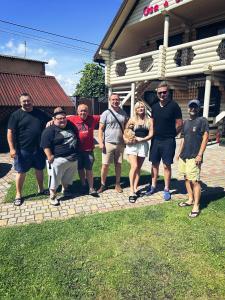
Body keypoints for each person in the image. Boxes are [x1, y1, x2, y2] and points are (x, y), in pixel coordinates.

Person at [7, 93, 51, 206]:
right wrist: (12, 149)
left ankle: (41, 189)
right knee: (21, 172)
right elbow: (10, 132)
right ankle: (18, 195)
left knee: (39, 169)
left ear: (32, 101)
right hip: (23, 150)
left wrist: (51, 121)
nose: (26, 103)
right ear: (20, 103)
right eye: (24, 101)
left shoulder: (39, 113)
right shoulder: (16, 115)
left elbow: (51, 120)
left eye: (28, 100)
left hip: (39, 149)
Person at [147, 81, 183, 200]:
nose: (162, 94)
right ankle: (153, 186)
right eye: (160, 93)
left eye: (164, 92)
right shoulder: (154, 107)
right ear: (157, 94)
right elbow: (152, 122)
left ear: (168, 92)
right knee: (154, 164)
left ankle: (166, 189)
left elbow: (179, 124)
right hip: (156, 140)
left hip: (168, 141)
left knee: (167, 165)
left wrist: (172, 134)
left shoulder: (174, 106)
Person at [177, 99, 209, 218]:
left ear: (199, 108)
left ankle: (196, 205)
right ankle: (190, 199)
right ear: (188, 108)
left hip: (194, 156)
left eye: (195, 107)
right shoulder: (185, 123)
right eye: (191, 107)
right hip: (184, 156)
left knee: (195, 181)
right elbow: (184, 139)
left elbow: (205, 138)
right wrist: (179, 153)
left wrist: (200, 154)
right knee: (186, 178)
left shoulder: (202, 121)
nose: (193, 109)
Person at [41, 108, 79, 206]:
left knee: (68, 178)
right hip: (58, 160)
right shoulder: (49, 130)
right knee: (55, 179)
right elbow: (45, 145)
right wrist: (49, 156)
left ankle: (65, 190)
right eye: (59, 118)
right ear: (54, 119)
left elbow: (74, 116)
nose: (62, 120)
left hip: (72, 158)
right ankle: (53, 196)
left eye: (64, 118)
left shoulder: (69, 125)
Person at [67, 104, 100, 196]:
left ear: (88, 112)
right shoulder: (72, 119)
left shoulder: (93, 118)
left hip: (88, 150)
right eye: (81, 111)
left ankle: (91, 188)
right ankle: (83, 184)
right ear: (77, 112)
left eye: (85, 110)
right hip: (77, 150)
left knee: (89, 169)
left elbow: (105, 116)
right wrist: (51, 120)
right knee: (80, 168)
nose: (83, 112)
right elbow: (60, 118)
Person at [124, 101, 153, 203]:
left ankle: (136, 188)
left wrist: (143, 139)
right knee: (134, 166)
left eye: (142, 107)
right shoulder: (132, 120)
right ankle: (131, 191)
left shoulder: (149, 120)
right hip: (132, 145)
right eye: (138, 107)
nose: (140, 109)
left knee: (138, 168)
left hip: (143, 145)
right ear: (135, 109)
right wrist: (129, 138)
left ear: (144, 109)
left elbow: (151, 134)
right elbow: (126, 132)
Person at [98, 93, 128, 193]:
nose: (115, 101)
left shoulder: (124, 113)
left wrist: (127, 138)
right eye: (113, 99)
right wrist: (101, 142)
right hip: (108, 143)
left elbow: (127, 128)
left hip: (120, 143)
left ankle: (118, 184)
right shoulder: (105, 113)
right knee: (105, 165)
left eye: (117, 100)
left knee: (118, 164)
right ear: (110, 101)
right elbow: (101, 129)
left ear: (119, 101)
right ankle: (102, 184)